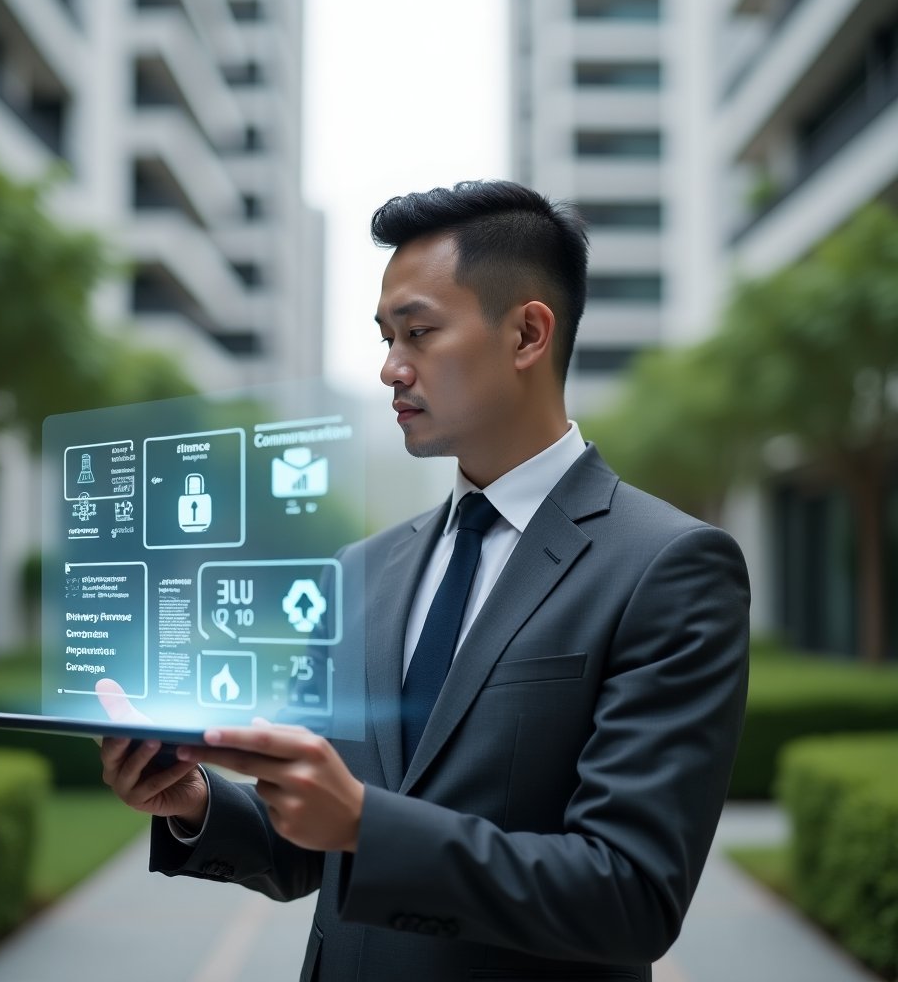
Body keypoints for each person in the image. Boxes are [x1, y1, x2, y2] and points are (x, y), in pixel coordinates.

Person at [99, 180, 750, 982]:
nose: (388, 370)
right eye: (383, 337)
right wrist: (195, 800)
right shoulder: (363, 570)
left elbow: (630, 894)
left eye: (418, 333)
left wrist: (370, 826)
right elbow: (310, 840)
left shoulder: (668, 566)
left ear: (527, 335)